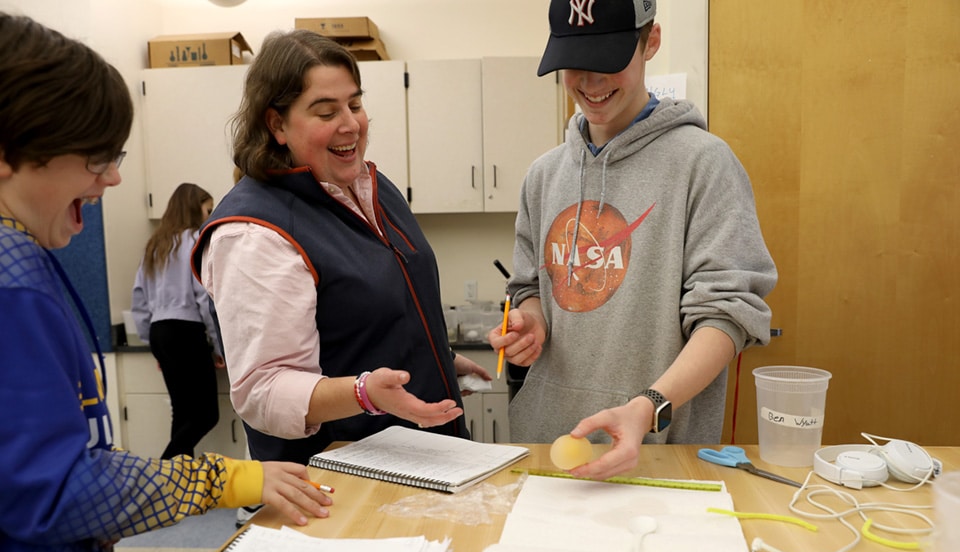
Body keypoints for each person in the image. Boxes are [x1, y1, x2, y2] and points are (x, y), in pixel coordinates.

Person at [0, 14, 332, 552]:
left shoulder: (29, 258)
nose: (114, 177)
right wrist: (226, 477)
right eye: (96, 156)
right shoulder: (11, 282)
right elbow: (52, 489)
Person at [489, 0, 777, 479]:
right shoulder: (543, 176)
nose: (591, 82)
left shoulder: (705, 165)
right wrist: (532, 322)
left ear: (651, 42)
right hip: (546, 447)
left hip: (659, 452)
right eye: (575, 64)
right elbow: (530, 288)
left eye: (608, 60)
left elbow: (726, 316)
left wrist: (648, 407)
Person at [193, 29, 489, 468]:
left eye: (355, 104)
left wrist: (438, 361)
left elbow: (371, 318)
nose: (350, 124)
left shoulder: (370, 188)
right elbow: (264, 392)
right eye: (326, 111)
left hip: (425, 456)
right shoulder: (254, 233)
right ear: (276, 124)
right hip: (340, 478)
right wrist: (364, 394)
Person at [132, 182, 225, 459]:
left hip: (160, 332)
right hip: (187, 330)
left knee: (183, 413)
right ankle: (162, 470)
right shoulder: (196, 241)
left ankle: (176, 482)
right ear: (194, 209)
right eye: (208, 210)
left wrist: (154, 345)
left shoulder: (155, 245)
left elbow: (139, 297)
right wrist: (218, 346)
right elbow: (204, 298)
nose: (210, 216)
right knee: (206, 415)